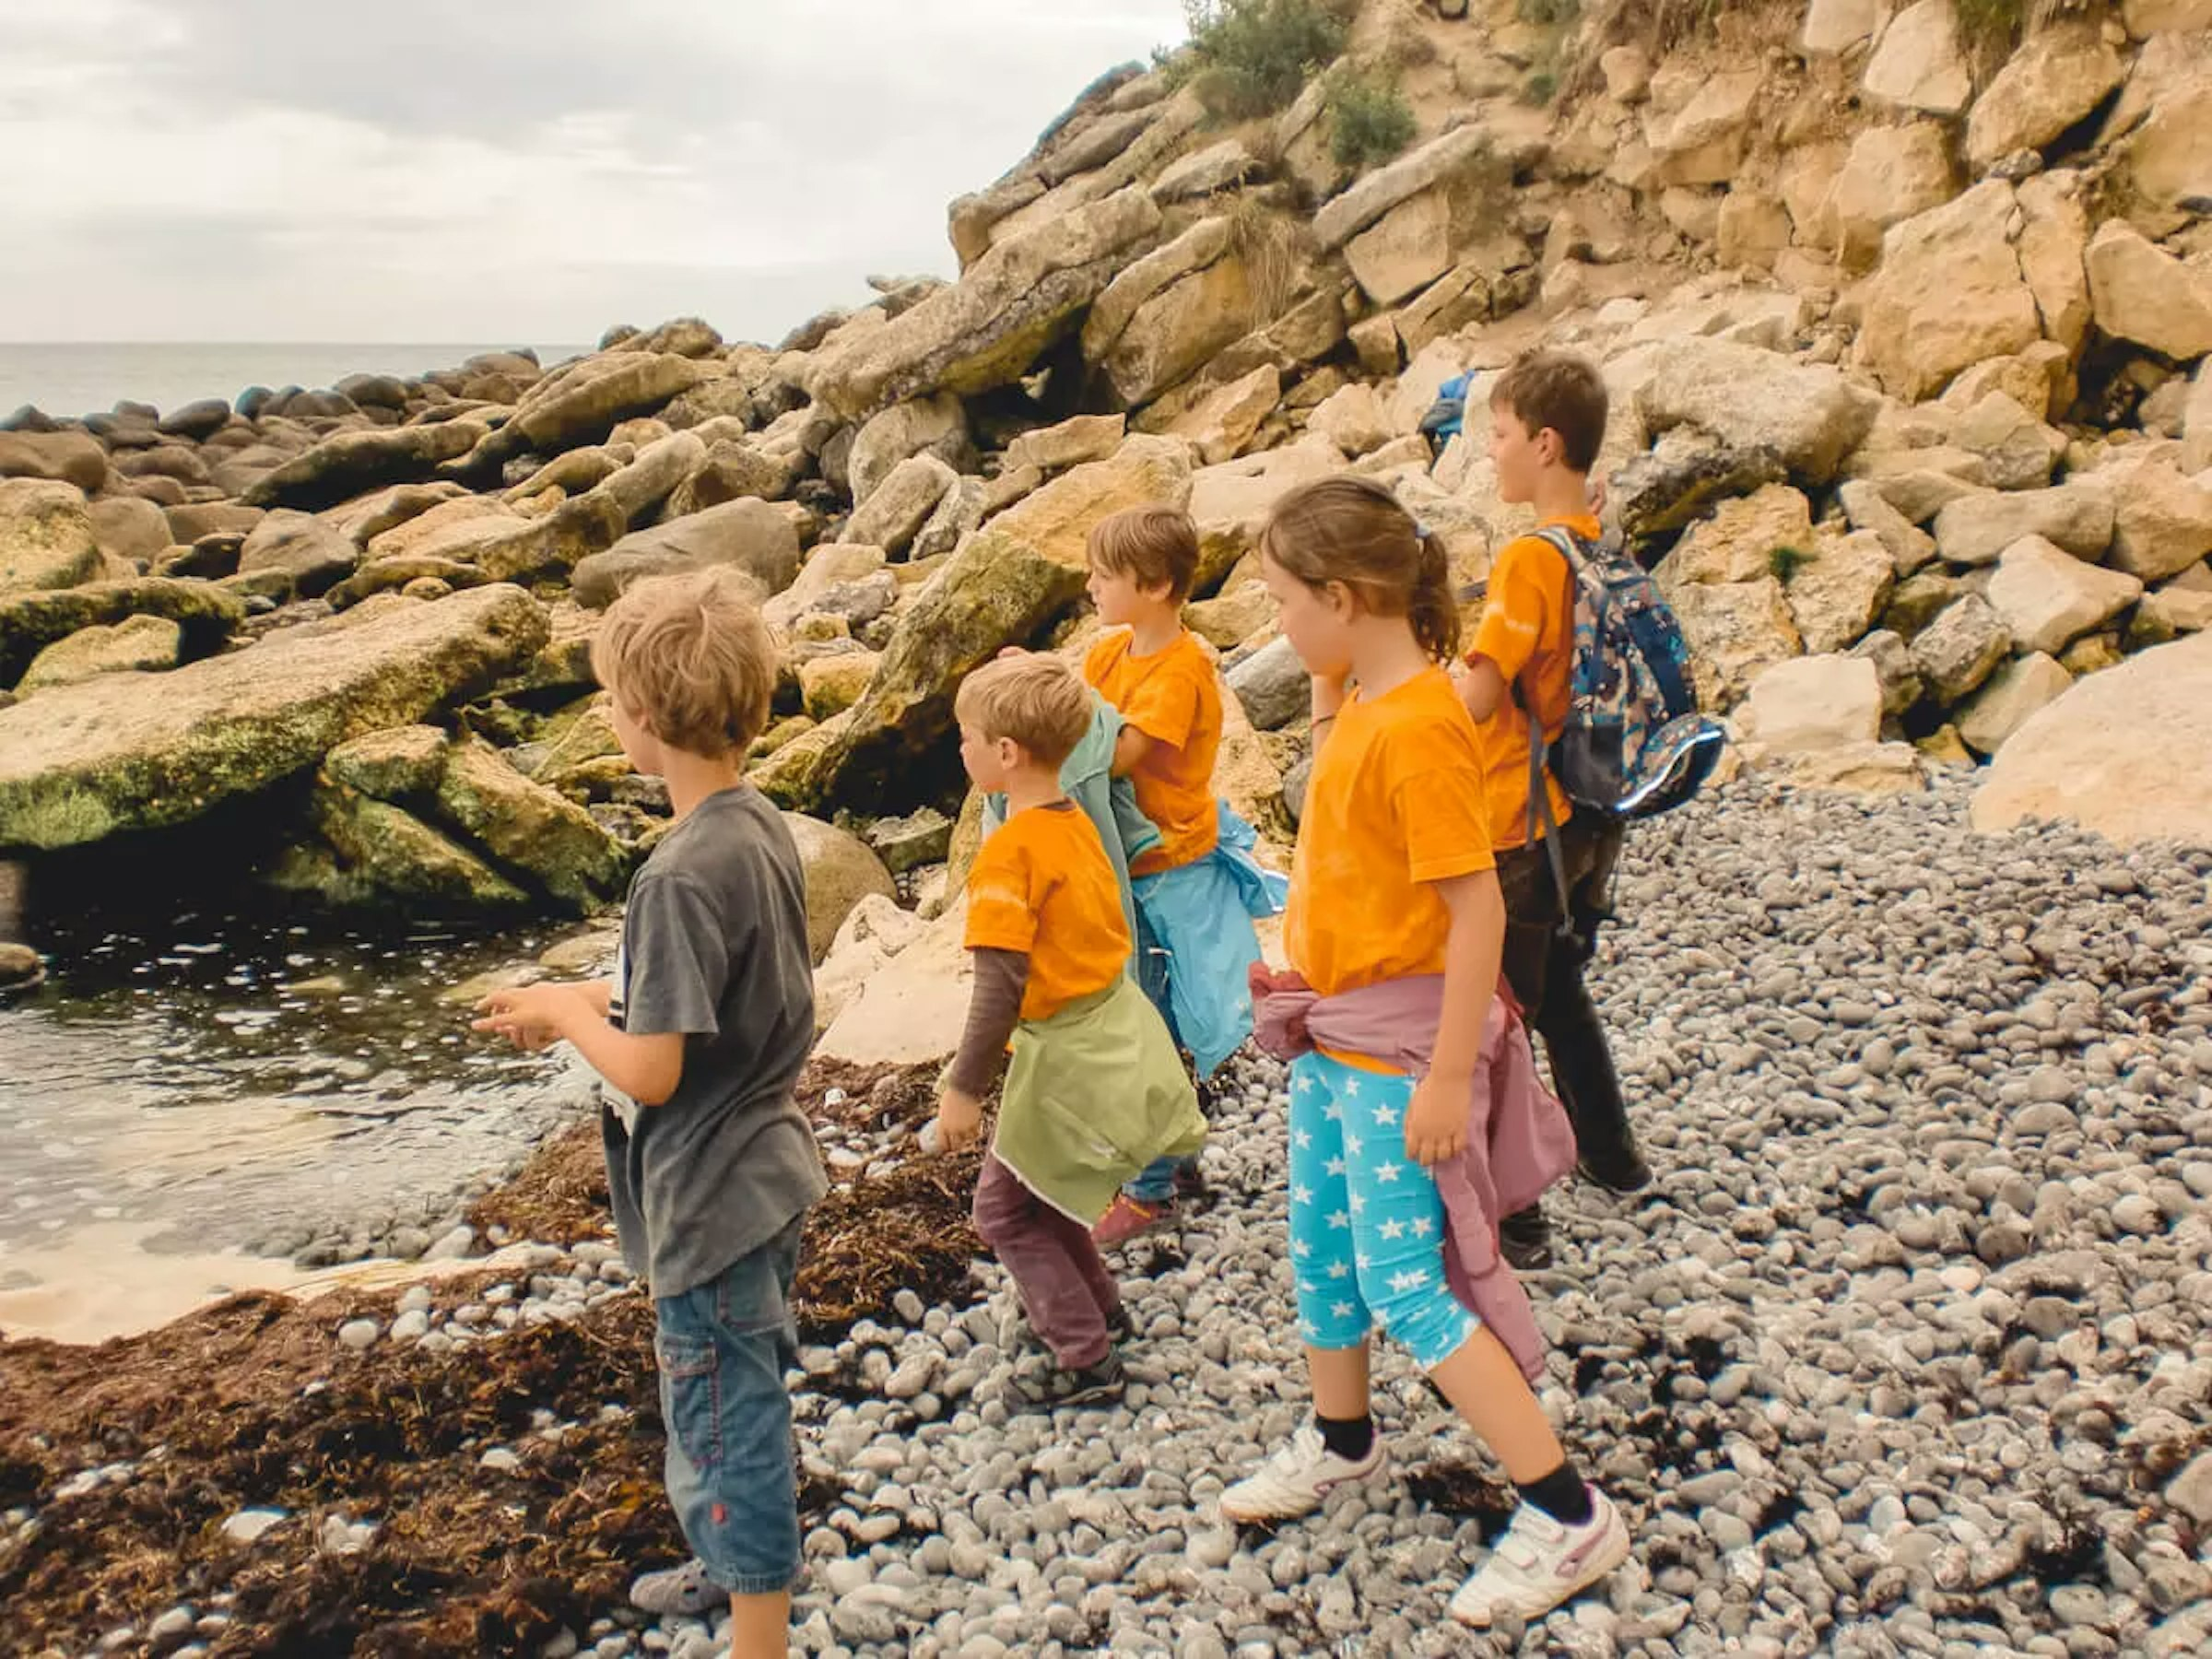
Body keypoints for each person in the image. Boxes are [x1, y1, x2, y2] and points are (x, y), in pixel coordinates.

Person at [1223, 477, 1629, 1629]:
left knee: (1410, 1282)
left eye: (1286, 601)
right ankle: (1343, 1438)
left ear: (1346, 598)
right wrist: (1324, 684)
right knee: (1324, 1250)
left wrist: (1450, 1077)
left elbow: (1476, 910)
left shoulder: (1419, 729)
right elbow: (1343, 802)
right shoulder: (1371, 697)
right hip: (1336, 1036)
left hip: (1397, 1054)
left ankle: (1567, 1513)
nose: (1278, 624)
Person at [473, 568, 818, 1658]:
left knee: (722, 1420)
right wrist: (575, 998)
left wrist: (572, 1024)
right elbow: (698, 998)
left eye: (610, 700)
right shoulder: (755, 826)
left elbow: (657, 1073)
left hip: (710, 1195)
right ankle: (733, 1567)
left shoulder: (674, 875)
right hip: (768, 1167)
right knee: (735, 1394)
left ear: (642, 717)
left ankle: (757, 1628)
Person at [936, 653, 1206, 1408]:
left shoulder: (1009, 852)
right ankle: (1103, 1313)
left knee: (1002, 1212)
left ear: (1006, 752)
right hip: (1112, 1030)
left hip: (1064, 1056)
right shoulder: (1077, 824)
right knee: (1045, 1196)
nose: (960, 749)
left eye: (967, 737)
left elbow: (999, 988)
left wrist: (964, 1089)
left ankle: (1084, 1361)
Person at [1456, 349, 1652, 1271]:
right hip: (1586, 807)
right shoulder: (1594, 539)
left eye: (1498, 435)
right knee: (1558, 993)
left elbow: (1481, 696)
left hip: (1517, 819)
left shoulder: (1530, 558)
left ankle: (1518, 1217)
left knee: (1494, 1015)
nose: (1489, 452)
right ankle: (1612, 1158)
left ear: (1543, 443)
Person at [1079, 505, 1282, 1247]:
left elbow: (1118, 753)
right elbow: (1079, 712)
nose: (1090, 586)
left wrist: (1039, 729)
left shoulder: (1182, 669)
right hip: (1127, 865)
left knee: (1154, 1026)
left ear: (1157, 585)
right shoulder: (1110, 655)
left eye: (1105, 576)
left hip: (1172, 869)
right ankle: (1175, 1154)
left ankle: (1150, 1188)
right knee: (1146, 1017)